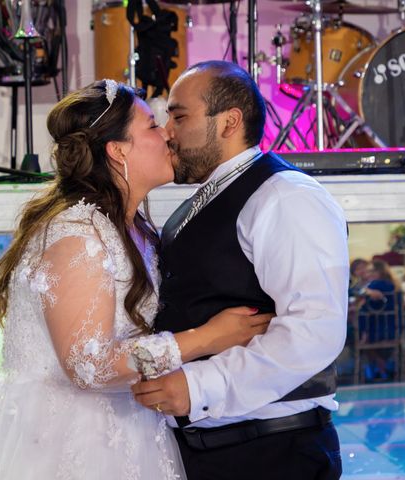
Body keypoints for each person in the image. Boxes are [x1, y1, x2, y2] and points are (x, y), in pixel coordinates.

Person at [0, 80, 270, 479]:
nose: (166, 133)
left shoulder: (130, 227)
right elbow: (87, 365)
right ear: (118, 149)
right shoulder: (79, 234)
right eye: (150, 126)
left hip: (126, 426)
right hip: (63, 440)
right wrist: (209, 337)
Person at [131, 61, 349, 480]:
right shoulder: (206, 198)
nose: (168, 132)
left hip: (272, 454)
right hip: (217, 453)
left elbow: (314, 332)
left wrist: (199, 386)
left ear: (229, 121)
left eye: (179, 116)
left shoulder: (286, 197)